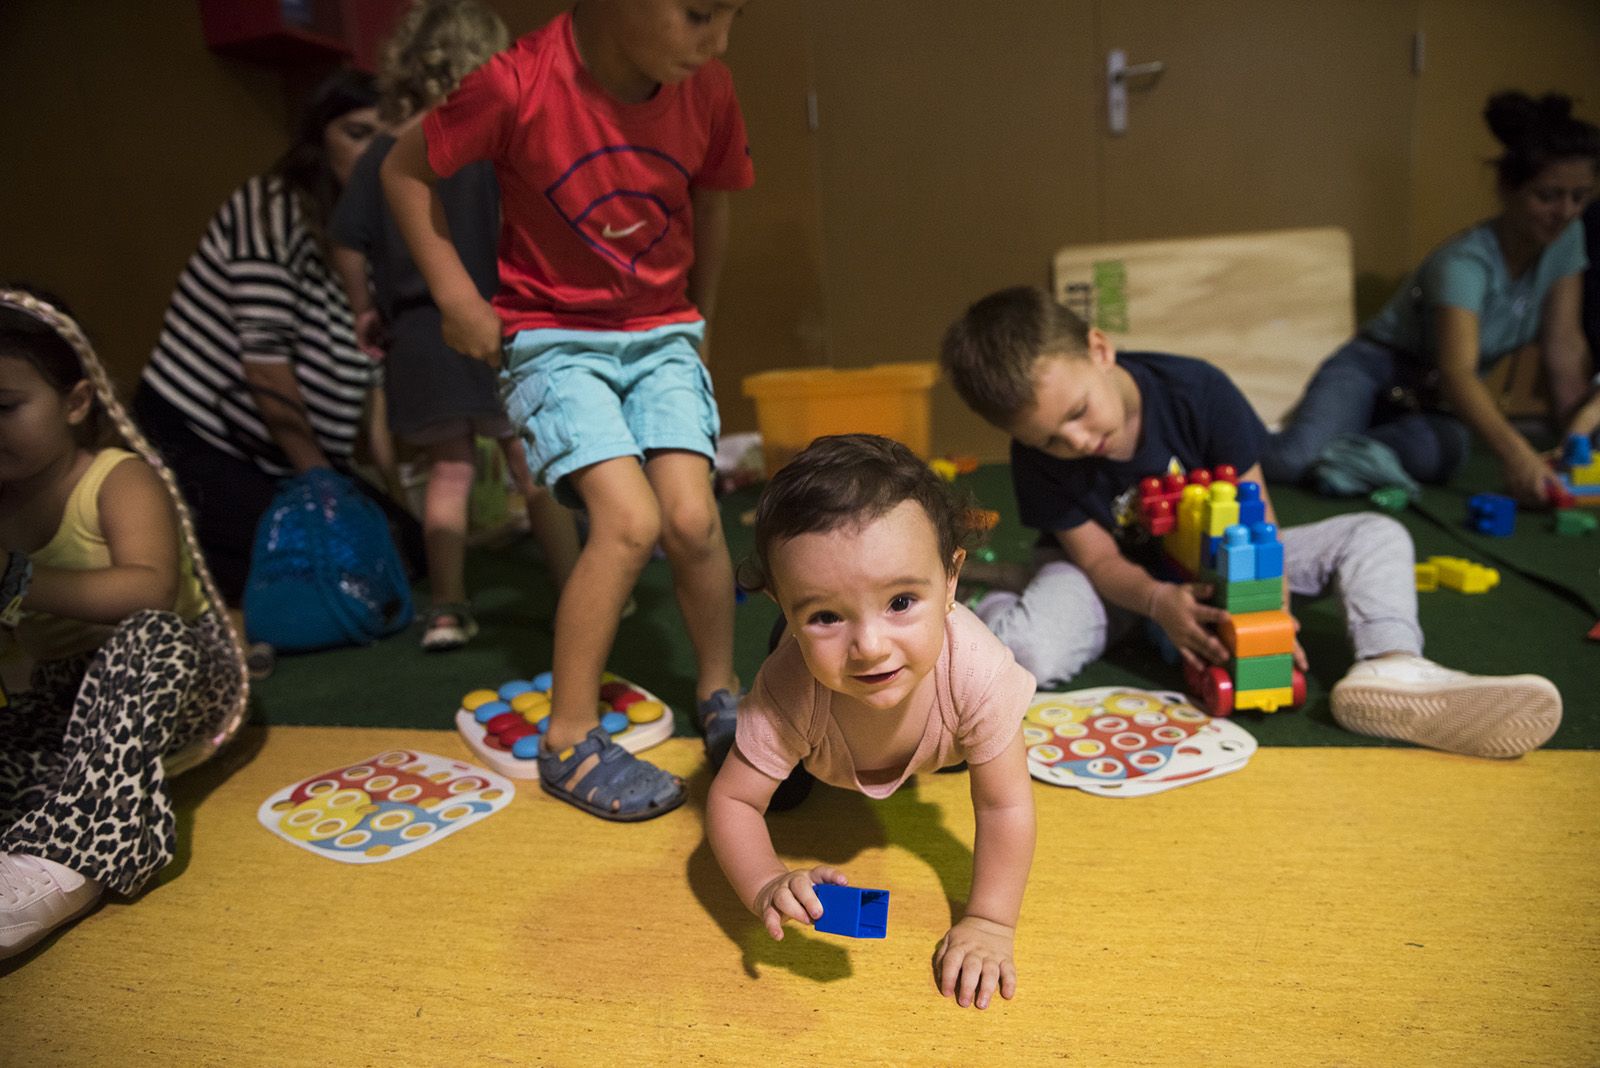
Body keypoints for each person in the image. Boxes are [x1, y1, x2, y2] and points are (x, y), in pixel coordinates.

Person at [383, 0, 753, 818]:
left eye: (732, 15)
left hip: (661, 334)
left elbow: (715, 201)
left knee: (694, 518)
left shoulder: (710, 88)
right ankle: (568, 739)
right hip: (554, 338)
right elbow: (403, 171)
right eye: (698, 14)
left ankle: (721, 692)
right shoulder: (517, 84)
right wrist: (454, 296)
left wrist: (700, 321)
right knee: (630, 522)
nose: (718, 40)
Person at [940, 285, 1562, 759]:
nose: (1077, 441)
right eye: (1052, 439)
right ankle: (987, 614)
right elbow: (1099, 560)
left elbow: (1256, 516)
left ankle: (1392, 662)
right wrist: (1158, 601)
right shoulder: (1037, 459)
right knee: (1027, 654)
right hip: (1115, 580)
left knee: (1376, 533)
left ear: (1099, 350)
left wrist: (1267, 602)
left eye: (1078, 412)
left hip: (1225, 559)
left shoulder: (1197, 390)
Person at [705, 435, 1036, 1010]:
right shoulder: (788, 688)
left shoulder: (979, 673)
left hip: (945, 718)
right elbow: (732, 803)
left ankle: (946, 741)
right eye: (826, 615)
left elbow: (1005, 806)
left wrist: (989, 921)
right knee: (778, 793)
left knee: (986, 754)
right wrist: (766, 883)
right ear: (785, 608)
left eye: (901, 601)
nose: (869, 647)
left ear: (952, 578)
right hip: (819, 737)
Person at [0, 288, 248, 960]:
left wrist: (19, 580)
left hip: (177, 681)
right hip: (68, 700)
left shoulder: (116, 479)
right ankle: (48, 816)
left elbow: (151, 590)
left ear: (77, 403)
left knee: (150, 634)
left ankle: (74, 856)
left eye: (5, 407)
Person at [330, 0, 580, 652]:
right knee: (535, 467)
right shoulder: (498, 143)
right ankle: (580, 593)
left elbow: (348, 243)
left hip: (419, 334)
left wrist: (365, 307)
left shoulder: (381, 155)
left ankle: (446, 608)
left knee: (448, 471)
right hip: (501, 325)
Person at [133, 69, 417, 606]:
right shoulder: (270, 209)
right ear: (317, 140)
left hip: (293, 457)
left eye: (388, 141)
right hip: (205, 440)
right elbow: (265, 367)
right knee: (317, 577)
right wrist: (327, 492)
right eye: (357, 135)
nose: (374, 155)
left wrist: (386, 494)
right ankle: (184, 556)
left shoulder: (369, 242)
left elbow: (370, 387)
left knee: (407, 551)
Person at [1263, 92, 1598, 505]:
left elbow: (1564, 350)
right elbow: (1458, 374)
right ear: (1507, 189)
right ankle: (1304, 447)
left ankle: (1345, 448)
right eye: (1547, 196)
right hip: (1374, 369)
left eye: (1579, 197)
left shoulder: (1567, 241)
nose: (1565, 211)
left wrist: (1576, 446)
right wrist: (1518, 455)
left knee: (1447, 450)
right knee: (1294, 460)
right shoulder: (1463, 262)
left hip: (1427, 400)